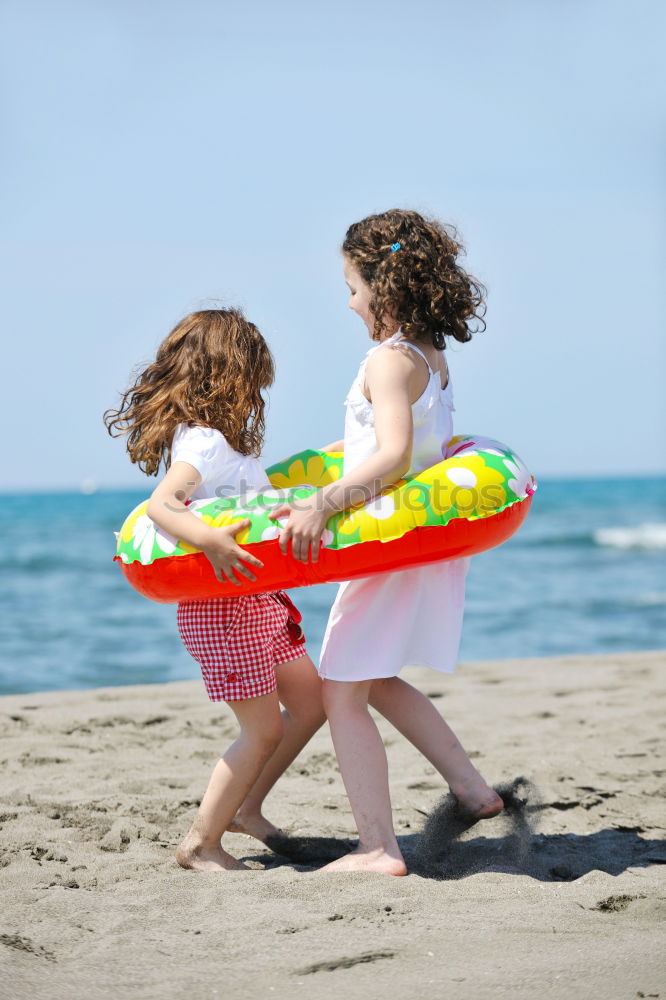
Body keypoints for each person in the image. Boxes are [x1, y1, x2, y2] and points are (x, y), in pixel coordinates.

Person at [273, 210, 504, 875]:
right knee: (370, 679)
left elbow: (396, 455)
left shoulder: (388, 358)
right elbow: (388, 449)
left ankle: (378, 848)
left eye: (352, 286)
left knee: (342, 688)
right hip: (415, 548)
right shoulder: (431, 356)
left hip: (387, 549)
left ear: (385, 284)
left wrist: (323, 503)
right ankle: (471, 789)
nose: (348, 302)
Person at [104, 308, 326, 872]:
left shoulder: (221, 443)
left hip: (261, 601)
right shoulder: (202, 441)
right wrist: (210, 542)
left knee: (311, 703)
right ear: (228, 376)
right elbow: (163, 503)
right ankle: (200, 843)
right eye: (253, 382)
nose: (257, 396)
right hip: (224, 608)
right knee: (262, 728)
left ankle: (246, 809)